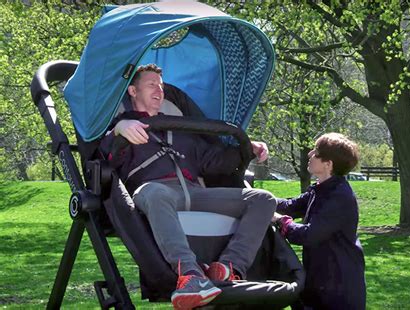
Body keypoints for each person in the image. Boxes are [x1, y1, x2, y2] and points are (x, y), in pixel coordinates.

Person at [100, 64, 276, 309]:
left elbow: (214, 162)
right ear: (132, 91)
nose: (159, 90)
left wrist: (247, 149)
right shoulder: (124, 127)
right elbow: (104, 158)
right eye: (151, 84)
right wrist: (118, 130)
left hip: (195, 192)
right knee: (155, 192)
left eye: (161, 86)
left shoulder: (183, 131)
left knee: (263, 199)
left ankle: (228, 267)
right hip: (154, 192)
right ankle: (190, 277)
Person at [273, 133, 366, 310]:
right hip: (321, 278)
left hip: (338, 286)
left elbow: (309, 235)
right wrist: (260, 198)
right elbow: (289, 205)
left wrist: (280, 221)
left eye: (316, 153)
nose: (310, 155)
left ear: (328, 164)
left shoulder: (339, 196)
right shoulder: (321, 189)